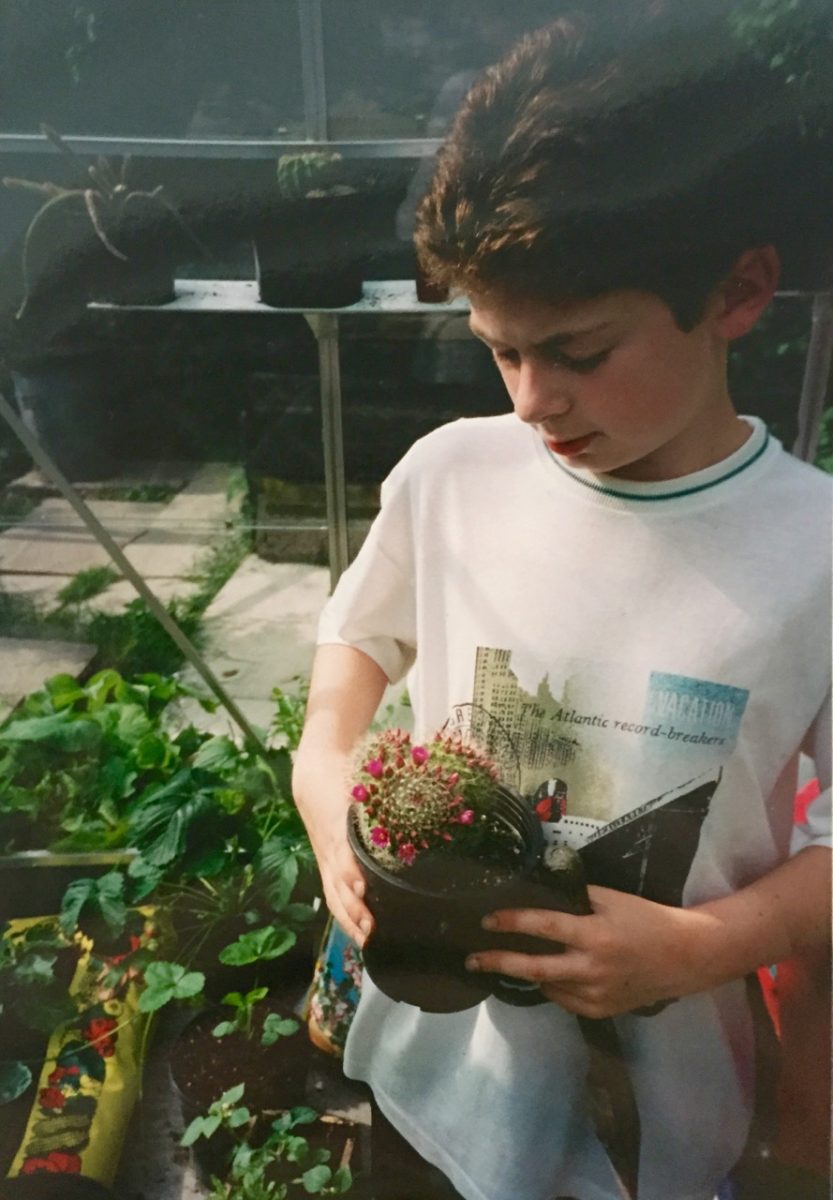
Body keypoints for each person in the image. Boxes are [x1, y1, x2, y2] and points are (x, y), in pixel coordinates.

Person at [292, 10, 832, 1200]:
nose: (534, 398)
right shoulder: (450, 477)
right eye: (499, 351)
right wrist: (328, 795)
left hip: (658, 1127)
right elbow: (351, 652)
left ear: (738, 292)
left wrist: (701, 946)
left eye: (579, 349)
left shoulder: (815, 550)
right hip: (427, 1086)